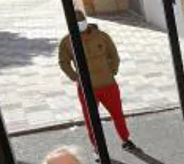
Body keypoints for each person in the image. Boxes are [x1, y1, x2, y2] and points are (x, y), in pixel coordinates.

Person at [58, 8, 138, 152]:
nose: (79, 25)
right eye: (76, 23)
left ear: (85, 21)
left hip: (108, 85)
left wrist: (112, 71)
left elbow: (114, 55)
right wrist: (76, 77)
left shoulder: (102, 36)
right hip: (86, 88)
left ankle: (126, 140)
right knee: (91, 120)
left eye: (81, 21)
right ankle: (97, 147)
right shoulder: (67, 42)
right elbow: (63, 62)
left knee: (117, 114)